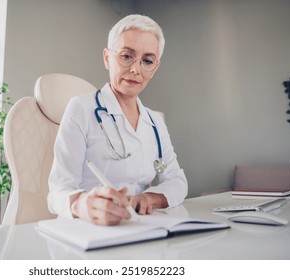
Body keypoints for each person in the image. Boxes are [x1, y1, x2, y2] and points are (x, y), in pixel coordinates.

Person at [48, 14, 188, 226]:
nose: (135, 69)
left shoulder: (155, 122)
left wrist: (148, 198)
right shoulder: (81, 108)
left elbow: (177, 180)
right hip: (86, 228)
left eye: (147, 61)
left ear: (155, 68)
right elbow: (58, 191)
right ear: (107, 58)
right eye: (126, 56)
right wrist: (82, 204)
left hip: (137, 226)